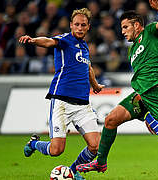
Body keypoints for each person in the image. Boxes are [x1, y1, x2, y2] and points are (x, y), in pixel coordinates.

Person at [76, 0, 158, 173]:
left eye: (125, 27)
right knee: (111, 120)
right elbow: (142, 76)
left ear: (137, 25)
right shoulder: (132, 50)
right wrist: (143, 107)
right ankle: (101, 162)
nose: (122, 32)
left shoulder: (151, 32)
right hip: (142, 96)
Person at [18, 8, 104, 180]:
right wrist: (34, 40)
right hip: (62, 102)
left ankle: (74, 171)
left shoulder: (84, 46)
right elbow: (49, 42)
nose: (80, 28)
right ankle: (34, 144)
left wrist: (95, 85)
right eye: (77, 24)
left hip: (82, 104)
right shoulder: (65, 40)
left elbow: (87, 68)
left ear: (88, 27)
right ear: (71, 25)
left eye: (83, 25)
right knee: (57, 150)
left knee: (95, 146)